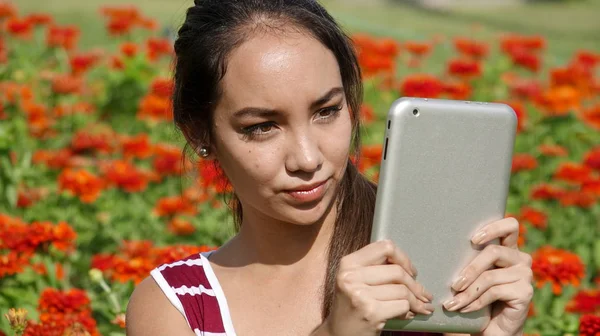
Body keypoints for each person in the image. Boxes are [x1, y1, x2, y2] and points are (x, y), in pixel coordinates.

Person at [126, 1, 534, 335]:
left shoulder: (433, 270)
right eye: (262, 127)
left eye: (327, 111)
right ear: (200, 132)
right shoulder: (177, 307)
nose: (307, 159)